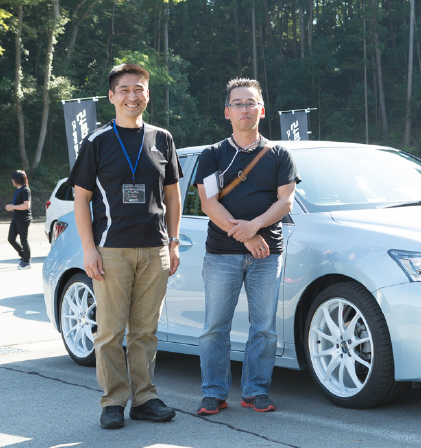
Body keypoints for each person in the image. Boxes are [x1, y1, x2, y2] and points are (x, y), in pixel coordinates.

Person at [67, 63, 183, 429]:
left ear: (148, 93)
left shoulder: (162, 138)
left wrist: (174, 242)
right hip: (111, 250)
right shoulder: (97, 141)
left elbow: (172, 196)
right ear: (112, 96)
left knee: (145, 331)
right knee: (110, 332)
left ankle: (145, 398)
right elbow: (81, 200)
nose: (132, 96)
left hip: (155, 249)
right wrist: (89, 249)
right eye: (125, 90)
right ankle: (113, 401)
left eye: (139, 89)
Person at [194, 78, 300, 414]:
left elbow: (286, 202)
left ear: (261, 110)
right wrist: (247, 235)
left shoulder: (279, 154)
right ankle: (213, 393)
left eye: (251, 102)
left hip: (268, 256)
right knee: (215, 328)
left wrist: (255, 226)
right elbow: (208, 203)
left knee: (264, 328)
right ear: (227, 112)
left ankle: (255, 391)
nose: (245, 109)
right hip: (221, 254)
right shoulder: (212, 155)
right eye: (237, 103)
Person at [6, 170, 32, 269]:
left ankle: (27, 262)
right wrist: (12, 207)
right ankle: (24, 255)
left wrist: (12, 207)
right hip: (16, 218)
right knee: (11, 238)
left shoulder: (25, 190)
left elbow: (26, 205)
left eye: (13, 179)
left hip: (23, 219)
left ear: (18, 179)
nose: (12, 180)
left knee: (23, 240)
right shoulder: (18, 189)